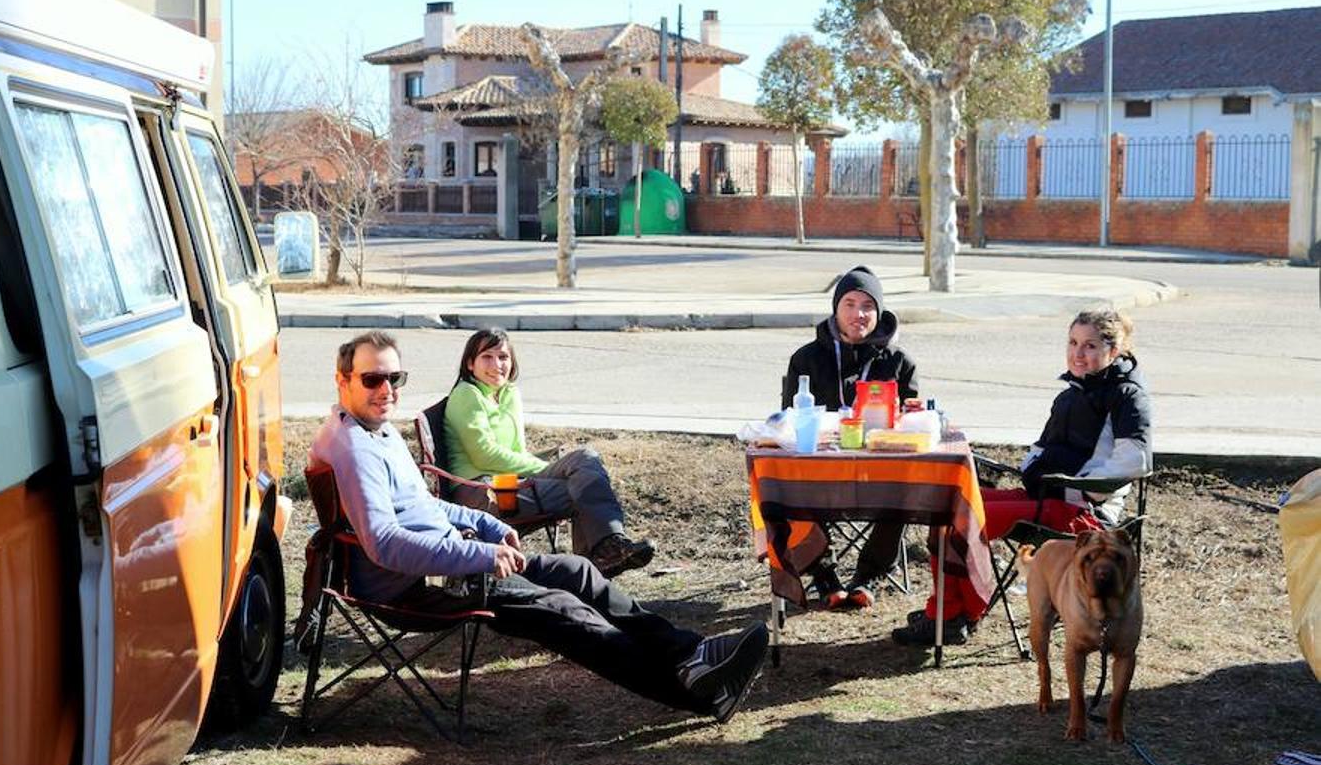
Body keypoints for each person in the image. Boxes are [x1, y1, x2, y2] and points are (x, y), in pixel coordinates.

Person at [309, 331, 768, 723]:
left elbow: (427, 506)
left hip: (454, 562)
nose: (386, 389)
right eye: (373, 379)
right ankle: (696, 691)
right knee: (564, 610)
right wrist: (483, 556)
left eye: (395, 378)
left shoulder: (376, 431)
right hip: (418, 589)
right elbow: (384, 543)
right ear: (342, 379)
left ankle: (693, 653)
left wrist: (485, 525)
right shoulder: (354, 448)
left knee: (577, 572)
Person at [891, 307, 1153, 646]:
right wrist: (1032, 470)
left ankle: (954, 615)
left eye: (1089, 346)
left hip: (1081, 511)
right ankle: (949, 610)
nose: (1078, 353)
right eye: (1073, 342)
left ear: (1113, 351)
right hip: (1042, 496)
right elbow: (1041, 447)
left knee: (964, 519)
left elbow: (1135, 460)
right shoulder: (1072, 393)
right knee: (949, 505)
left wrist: (1080, 489)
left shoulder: (1127, 395)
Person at [444, 327, 654, 578]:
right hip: (483, 492)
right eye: (487, 357)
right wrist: (541, 470)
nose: (496, 364)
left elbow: (516, 450)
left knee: (585, 458)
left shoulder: (508, 394)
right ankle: (597, 563)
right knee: (580, 490)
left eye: (503, 357)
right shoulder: (467, 394)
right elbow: (485, 456)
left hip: (507, 482)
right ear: (470, 364)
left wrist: (539, 469)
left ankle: (608, 545)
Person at [782, 266, 920, 609]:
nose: (859, 314)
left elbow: (910, 421)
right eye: (850, 303)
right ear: (836, 308)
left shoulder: (900, 363)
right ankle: (824, 575)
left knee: (907, 487)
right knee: (783, 485)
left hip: (879, 472)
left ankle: (868, 576)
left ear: (880, 312)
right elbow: (788, 419)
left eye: (868, 306)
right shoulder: (805, 359)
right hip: (820, 472)